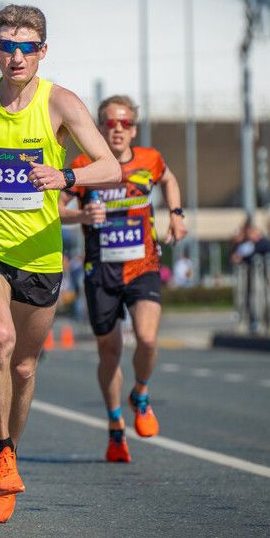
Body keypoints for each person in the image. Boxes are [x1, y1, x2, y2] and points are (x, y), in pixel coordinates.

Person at [0, 5, 120, 523]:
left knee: (27, 364)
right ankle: (1, 451)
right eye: (7, 45)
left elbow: (110, 165)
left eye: (26, 46)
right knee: (1, 338)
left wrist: (67, 179)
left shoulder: (60, 102)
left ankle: (12, 451)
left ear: (42, 51)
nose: (16, 55)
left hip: (40, 251)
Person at [59, 94, 187, 464]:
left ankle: (141, 395)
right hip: (100, 270)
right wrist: (82, 217)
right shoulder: (84, 166)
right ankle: (116, 426)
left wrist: (176, 214)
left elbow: (169, 178)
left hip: (142, 264)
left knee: (147, 338)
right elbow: (55, 208)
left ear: (134, 128)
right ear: (98, 128)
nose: (117, 130)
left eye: (125, 123)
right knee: (110, 351)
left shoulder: (150, 160)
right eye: (109, 124)